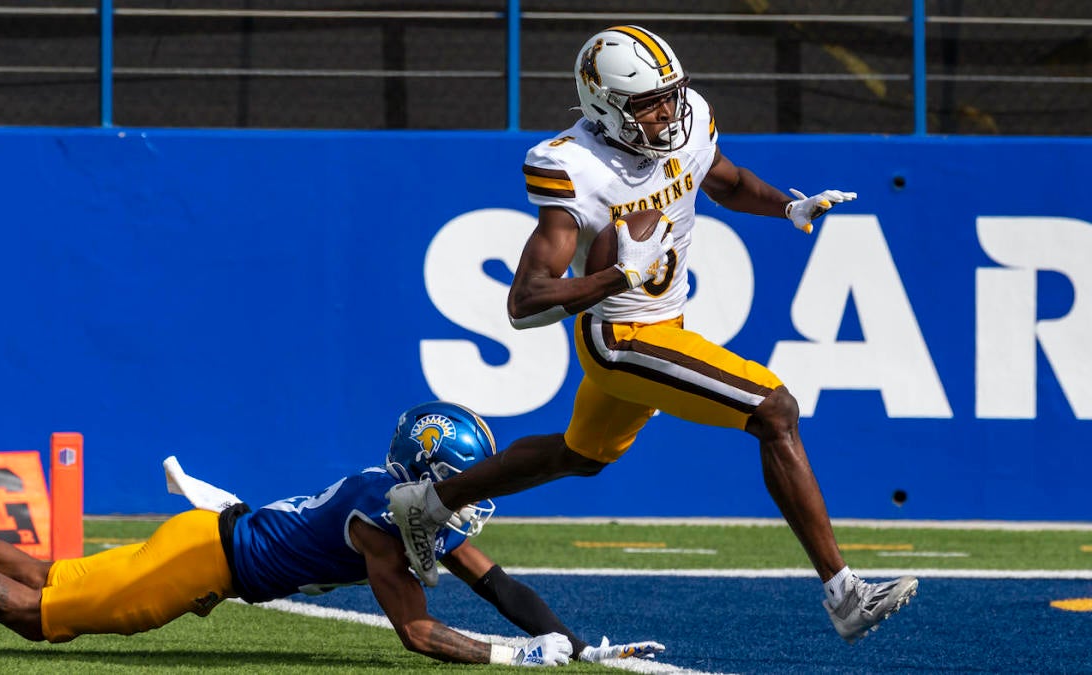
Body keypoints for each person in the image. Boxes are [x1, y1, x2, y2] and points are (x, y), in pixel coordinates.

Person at [388, 25, 917, 644]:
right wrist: (618, 275)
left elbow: (725, 180)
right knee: (775, 409)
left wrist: (787, 208)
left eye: (671, 95)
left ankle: (427, 504)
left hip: (665, 325)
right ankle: (845, 595)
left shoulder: (688, 119)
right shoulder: (574, 166)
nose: (667, 112)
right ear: (603, 105)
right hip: (622, 339)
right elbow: (526, 301)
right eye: (647, 103)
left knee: (579, 456)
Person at [0, 401, 664, 667]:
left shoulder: (397, 496)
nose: (471, 498)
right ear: (424, 478)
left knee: (54, 574)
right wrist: (513, 655)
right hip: (206, 560)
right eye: (461, 483)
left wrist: (575, 640)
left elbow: (498, 583)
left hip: (213, 539)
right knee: (40, 615)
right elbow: (420, 633)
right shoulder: (384, 525)